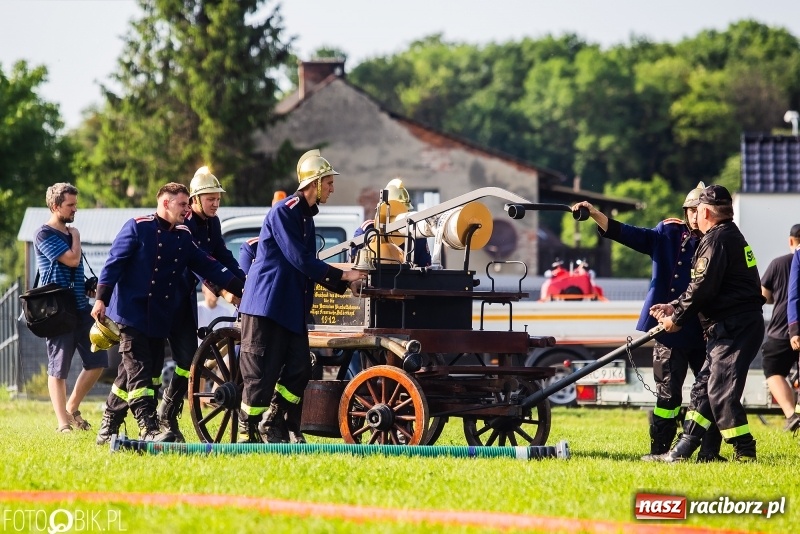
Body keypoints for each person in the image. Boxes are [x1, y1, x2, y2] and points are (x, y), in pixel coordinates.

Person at [572, 184, 724, 462]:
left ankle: (709, 452)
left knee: (711, 393)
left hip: (703, 329)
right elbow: (626, 233)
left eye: (698, 211)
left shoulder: (718, 240)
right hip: (668, 329)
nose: (694, 217)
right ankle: (661, 451)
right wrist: (594, 213)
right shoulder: (667, 234)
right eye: (690, 211)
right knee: (667, 398)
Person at [92, 182, 244, 444]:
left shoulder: (183, 235)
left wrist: (244, 287)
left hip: (158, 316)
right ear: (165, 203)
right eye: (183, 204)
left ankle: (108, 425)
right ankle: (148, 428)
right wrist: (100, 300)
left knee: (138, 373)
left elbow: (209, 266)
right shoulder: (138, 227)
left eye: (188, 204)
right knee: (139, 371)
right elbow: (113, 265)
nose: (187, 210)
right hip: (131, 313)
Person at [238, 149, 366, 443]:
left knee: (300, 368)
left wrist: (347, 285)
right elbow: (300, 259)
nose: (333, 188)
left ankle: (272, 420)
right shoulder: (285, 210)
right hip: (266, 306)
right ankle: (247, 429)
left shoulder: (306, 217)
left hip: (290, 308)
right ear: (316, 182)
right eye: (330, 183)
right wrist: (344, 275)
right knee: (261, 371)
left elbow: (307, 265)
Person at [650, 184, 765, 462]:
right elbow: (705, 286)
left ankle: (745, 451)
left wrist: (676, 319)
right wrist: (675, 306)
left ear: (704, 211)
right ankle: (682, 450)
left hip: (734, 328)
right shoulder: (727, 236)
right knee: (703, 390)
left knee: (720, 392)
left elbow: (703, 288)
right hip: (730, 327)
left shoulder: (716, 240)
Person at [157, 166, 246, 442]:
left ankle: (167, 414)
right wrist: (225, 291)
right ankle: (121, 419)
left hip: (183, 301)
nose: (215, 203)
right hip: (163, 300)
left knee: (186, 360)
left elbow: (222, 256)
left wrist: (246, 283)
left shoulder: (212, 223)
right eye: (210, 198)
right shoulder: (187, 225)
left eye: (218, 198)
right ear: (195, 200)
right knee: (144, 365)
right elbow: (199, 267)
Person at [34, 183, 108, 433]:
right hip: (57, 311)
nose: (75, 209)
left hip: (80, 308)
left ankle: (72, 407)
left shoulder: (68, 234)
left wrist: (87, 286)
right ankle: (63, 424)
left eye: (75, 204)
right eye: (70, 205)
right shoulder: (44, 234)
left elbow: (76, 268)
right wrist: (75, 236)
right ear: (56, 206)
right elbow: (72, 259)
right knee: (59, 369)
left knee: (98, 361)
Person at [760, 225, 800, 433]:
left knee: (774, 370)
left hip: (781, 329)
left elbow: (763, 295)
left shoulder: (778, 263)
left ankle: (791, 415)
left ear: (790, 240)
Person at [349, 178, 432, 267]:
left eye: (404, 211)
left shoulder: (416, 234)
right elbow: (352, 267)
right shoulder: (367, 231)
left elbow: (425, 269)